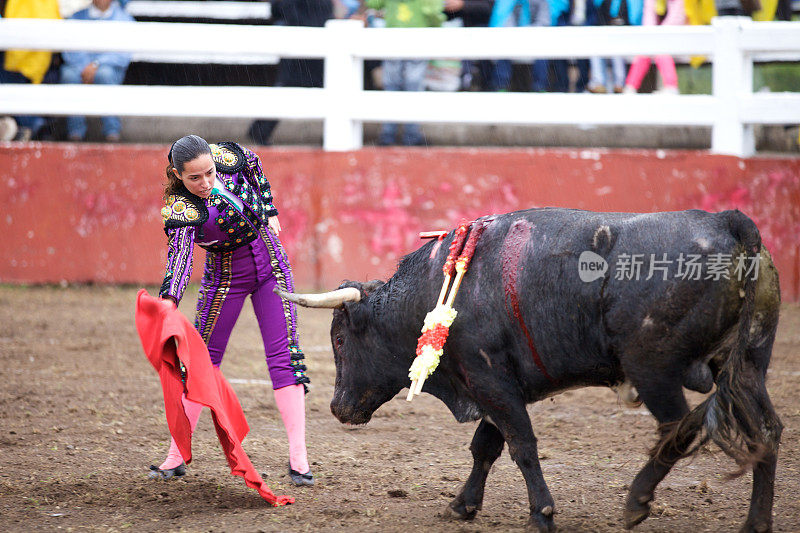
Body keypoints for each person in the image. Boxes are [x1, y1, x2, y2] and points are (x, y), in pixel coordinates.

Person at [152, 135, 313, 487]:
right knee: (199, 360)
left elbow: (255, 167)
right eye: (195, 178)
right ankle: (176, 453)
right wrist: (170, 299)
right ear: (178, 175)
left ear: (214, 160)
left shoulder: (230, 156)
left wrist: (269, 209)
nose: (206, 183)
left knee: (285, 355)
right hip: (224, 278)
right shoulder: (181, 209)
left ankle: (299, 459)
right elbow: (179, 256)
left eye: (209, 173)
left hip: (271, 263)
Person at [248, 0, 333, 146]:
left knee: (323, 87)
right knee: (288, 88)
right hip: (301, 40)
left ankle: (331, 135)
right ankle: (260, 130)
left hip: (315, 39)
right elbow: (279, 8)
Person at [367, 0, 445, 146]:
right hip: (418, 43)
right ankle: (411, 135)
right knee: (413, 89)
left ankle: (388, 135)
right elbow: (434, 13)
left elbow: (373, 3)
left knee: (391, 89)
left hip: (392, 43)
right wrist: (437, 26)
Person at [60, 0, 134, 142]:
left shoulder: (124, 19)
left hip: (108, 68)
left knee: (105, 74)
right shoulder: (76, 17)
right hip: (79, 68)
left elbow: (122, 55)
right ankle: (75, 132)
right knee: (68, 75)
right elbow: (69, 49)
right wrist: (85, 67)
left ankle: (112, 132)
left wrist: (96, 64)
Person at [623, 0, 685, 94]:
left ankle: (671, 85)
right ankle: (631, 86)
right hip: (657, 38)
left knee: (662, 51)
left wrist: (659, 35)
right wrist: (653, 37)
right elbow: (648, 19)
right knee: (645, 53)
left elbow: (678, 18)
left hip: (677, 37)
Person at [488, 0, 550, 92]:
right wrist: (515, 37)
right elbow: (504, 21)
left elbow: (544, 22)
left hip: (534, 41)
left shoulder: (541, 2)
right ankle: (500, 86)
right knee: (503, 49)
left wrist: (527, 34)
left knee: (543, 52)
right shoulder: (507, 3)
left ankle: (539, 88)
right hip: (512, 41)